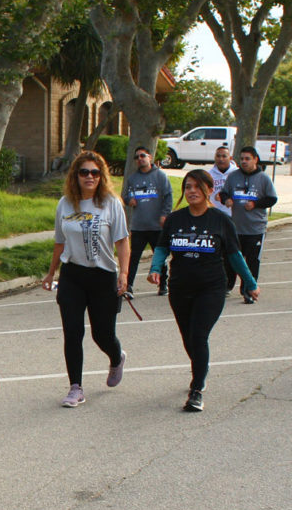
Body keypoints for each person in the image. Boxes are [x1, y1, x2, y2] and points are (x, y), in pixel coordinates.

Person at [148, 170, 260, 412]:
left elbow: (234, 255)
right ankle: (200, 367)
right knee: (188, 338)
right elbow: (161, 248)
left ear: (210, 190)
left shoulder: (220, 220)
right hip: (180, 288)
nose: (192, 191)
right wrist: (156, 268)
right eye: (188, 187)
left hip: (211, 288)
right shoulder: (175, 220)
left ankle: (197, 388)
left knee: (199, 336)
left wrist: (250, 283)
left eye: (197, 187)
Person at [41, 151, 131, 407]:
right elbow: (60, 242)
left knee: (102, 335)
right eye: (84, 172)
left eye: (94, 172)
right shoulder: (65, 204)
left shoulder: (111, 203)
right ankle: (75, 387)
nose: (89, 177)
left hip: (103, 275)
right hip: (73, 275)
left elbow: (123, 241)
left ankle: (116, 357)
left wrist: (123, 273)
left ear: (101, 176)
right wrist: (51, 273)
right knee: (72, 332)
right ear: (76, 176)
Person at [219, 146, 277, 304]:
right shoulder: (233, 177)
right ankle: (227, 286)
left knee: (252, 261)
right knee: (231, 259)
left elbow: (272, 199)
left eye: (247, 159)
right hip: (236, 228)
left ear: (255, 159)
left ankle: (248, 291)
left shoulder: (263, 178)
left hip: (255, 228)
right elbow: (223, 193)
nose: (244, 162)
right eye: (242, 159)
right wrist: (226, 200)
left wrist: (256, 204)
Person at [121, 146, 172, 296]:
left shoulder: (160, 176)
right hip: (139, 226)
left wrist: (165, 214)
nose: (140, 159)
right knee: (134, 257)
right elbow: (125, 196)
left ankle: (163, 284)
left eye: (142, 156)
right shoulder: (133, 179)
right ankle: (128, 285)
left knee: (159, 256)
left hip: (156, 225)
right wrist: (129, 200)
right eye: (136, 157)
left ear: (149, 157)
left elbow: (168, 196)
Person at [208, 146, 238, 291]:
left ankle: (229, 283)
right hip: (215, 217)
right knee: (215, 252)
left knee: (230, 253)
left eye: (224, 156)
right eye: (218, 156)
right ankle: (216, 282)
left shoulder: (235, 174)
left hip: (232, 218)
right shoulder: (209, 174)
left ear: (230, 158)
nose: (221, 159)